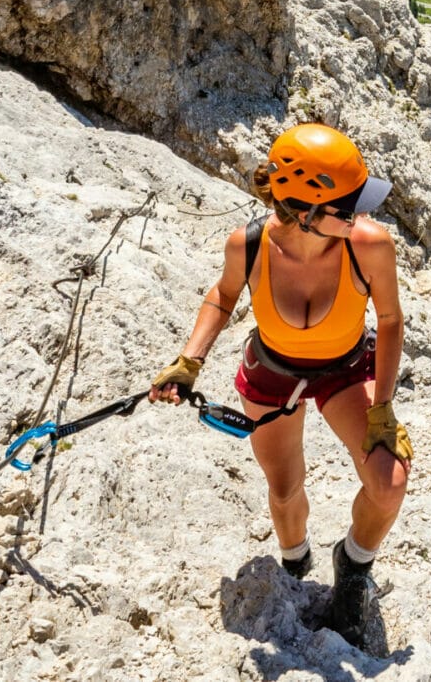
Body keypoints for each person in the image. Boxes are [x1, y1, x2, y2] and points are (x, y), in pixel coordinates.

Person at [149, 123, 413, 645]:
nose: (362, 214)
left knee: (389, 482)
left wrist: (382, 408)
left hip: (345, 370)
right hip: (273, 371)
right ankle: (295, 565)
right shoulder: (248, 245)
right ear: (309, 212)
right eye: (349, 204)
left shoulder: (370, 247)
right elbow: (223, 297)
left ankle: (353, 567)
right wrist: (188, 362)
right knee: (284, 486)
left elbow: (390, 321)